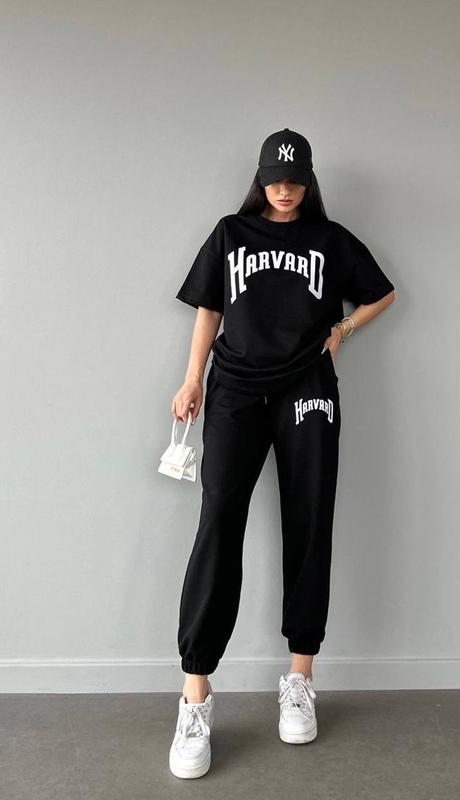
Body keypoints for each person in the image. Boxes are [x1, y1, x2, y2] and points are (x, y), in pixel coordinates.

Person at [168, 127, 396, 779]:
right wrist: (191, 379)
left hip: (307, 386)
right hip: (236, 389)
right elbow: (208, 309)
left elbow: (382, 292)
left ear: (309, 180)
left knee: (309, 519)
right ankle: (194, 697)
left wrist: (343, 329)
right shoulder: (230, 234)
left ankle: (300, 678)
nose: (285, 189)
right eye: (275, 178)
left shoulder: (330, 239)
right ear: (261, 178)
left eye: (295, 179)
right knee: (219, 522)